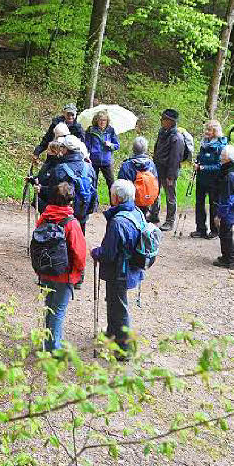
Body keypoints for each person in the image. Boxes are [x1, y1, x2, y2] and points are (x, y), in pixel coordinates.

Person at [92, 179, 148, 358]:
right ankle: (111, 333)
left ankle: (124, 350)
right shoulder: (137, 212)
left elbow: (108, 253)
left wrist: (95, 252)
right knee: (114, 302)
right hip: (131, 268)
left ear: (116, 197)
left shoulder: (118, 222)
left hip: (120, 271)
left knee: (120, 307)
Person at [36, 182, 87, 352]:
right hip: (64, 275)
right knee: (58, 310)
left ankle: (49, 343)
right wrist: (79, 273)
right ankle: (53, 349)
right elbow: (79, 253)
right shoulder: (71, 224)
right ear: (71, 201)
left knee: (49, 307)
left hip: (45, 270)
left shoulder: (45, 217)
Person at [36, 136, 97, 233]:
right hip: (83, 211)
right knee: (79, 239)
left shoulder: (60, 169)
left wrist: (41, 190)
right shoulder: (89, 168)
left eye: (62, 147)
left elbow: (52, 195)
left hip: (63, 217)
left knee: (63, 243)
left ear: (65, 150)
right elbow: (94, 191)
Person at [151, 108, 186, 231]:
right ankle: (154, 215)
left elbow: (176, 159)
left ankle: (170, 221)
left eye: (164, 119)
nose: (161, 120)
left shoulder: (177, 138)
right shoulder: (162, 133)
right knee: (155, 192)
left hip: (169, 172)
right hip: (158, 168)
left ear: (171, 121)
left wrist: (171, 176)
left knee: (170, 197)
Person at [192, 120, 227, 239]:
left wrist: (203, 167)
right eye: (206, 129)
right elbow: (200, 157)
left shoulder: (221, 146)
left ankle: (215, 230)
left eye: (209, 130)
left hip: (214, 180)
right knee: (199, 203)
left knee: (214, 205)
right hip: (201, 179)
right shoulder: (204, 143)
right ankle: (200, 229)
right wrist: (197, 162)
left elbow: (220, 165)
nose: (206, 132)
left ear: (216, 132)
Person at [117, 137, 160, 219]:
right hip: (146, 198)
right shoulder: (151, 164)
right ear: (145, 149)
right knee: (142, 217)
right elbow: (155, 180)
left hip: (132, 200)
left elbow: (121, 184)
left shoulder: (127, 165)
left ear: (133, 149)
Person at [214, 145, 234, 271]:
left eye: (223, 156)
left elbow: (228, 199)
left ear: (229, 159)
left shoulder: (230, 176)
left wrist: (219, 215)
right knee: (226, 232)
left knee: (225, 233)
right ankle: (226, 257)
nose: (221, 158)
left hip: (230, 209)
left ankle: (229, 260)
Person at [84, 111, 120, 201]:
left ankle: (114, 204)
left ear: (107, 121)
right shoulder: (91, 130)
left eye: (104, 120)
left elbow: (117, 145)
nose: (102, 122)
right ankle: (93, 205)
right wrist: (86, 155)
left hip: (106, 161)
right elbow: (86, 145)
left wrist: (110, 145)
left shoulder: (110, 130)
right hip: (93, 160)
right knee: (92, 183)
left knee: (111, 183)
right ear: (96, 120)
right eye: (100, 120)